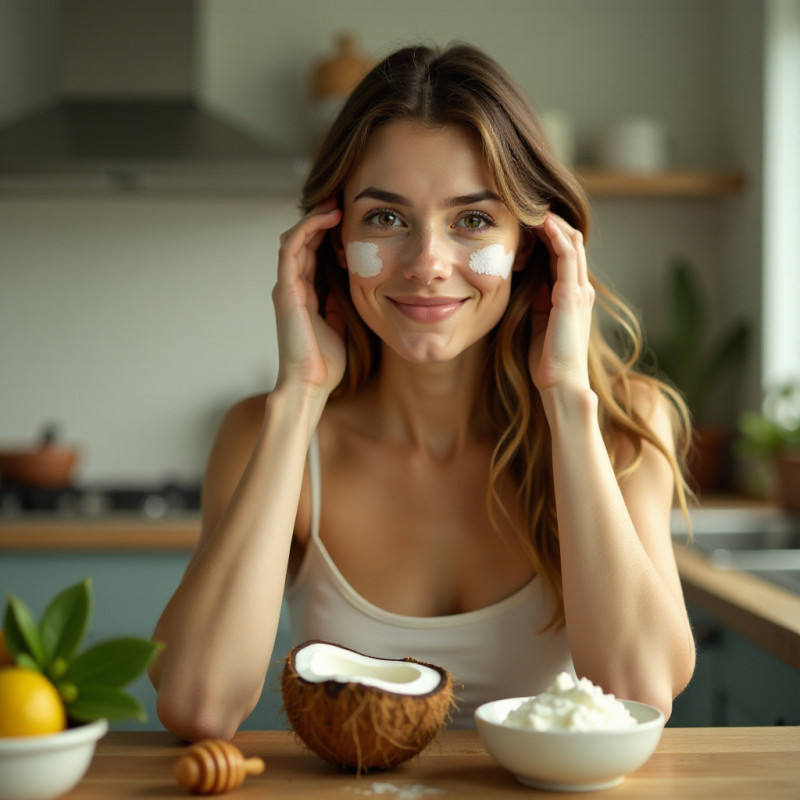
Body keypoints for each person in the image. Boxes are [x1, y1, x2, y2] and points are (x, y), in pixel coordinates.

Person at [149, 43, 696, 740]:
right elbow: (198, 705)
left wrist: (565, 399)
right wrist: (298, 399)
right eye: (385, 218)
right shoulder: (266, 433)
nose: (427, 263)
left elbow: (637, 696)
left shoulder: (620, 428)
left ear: (530, 243)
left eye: (472, 220)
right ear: (333, 240)